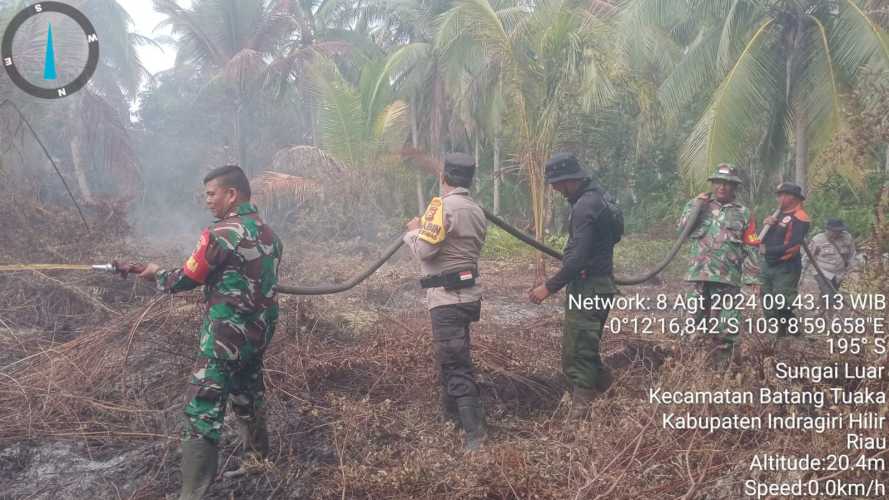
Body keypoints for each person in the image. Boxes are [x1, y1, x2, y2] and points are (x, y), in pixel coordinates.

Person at [137, 165, 283, 500]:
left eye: (211, 194)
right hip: (258, 335)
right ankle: (258, 461)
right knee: (248, 393)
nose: (207, 201)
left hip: (224, 338)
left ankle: (193, 493)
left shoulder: (220, 234)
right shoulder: (271, 235)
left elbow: (188, 277)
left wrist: (156, 274)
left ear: (231, 194)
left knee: (202, 406)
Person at [528, 152, 623, 419]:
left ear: (570, 180)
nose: (556, 190)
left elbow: (578, 260)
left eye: (557, 185)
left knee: (578, 353)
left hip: (589, 286)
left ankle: (578, 421)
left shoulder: (584, 206)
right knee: (586, 348)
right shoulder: (602, 198)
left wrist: (548, 287)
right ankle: (615, 402)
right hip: (601, 285)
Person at [403, 153, 488, 450]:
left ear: (444, 178)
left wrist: (413, 229)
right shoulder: (476, 210)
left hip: (447, 299)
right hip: (468, 297)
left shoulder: (440, 207)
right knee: (453, 357)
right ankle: (451, 418)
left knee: (455, 363)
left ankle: (475, 437)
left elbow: (425, 251)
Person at [677, 163, 760, 365]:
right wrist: (697, 205)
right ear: (713, 185)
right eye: (718, 183)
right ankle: (687, 366)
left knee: (727, 326)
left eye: (727, 184)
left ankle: (723, 369)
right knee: (693, 323)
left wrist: (753, 279)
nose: (722, 187)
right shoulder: (697, 206)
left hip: (728, 279)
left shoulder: (744, 213)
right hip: (699, 277)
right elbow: (682, 230)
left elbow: (753, 246)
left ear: (734, 187)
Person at [760, 182, 810, 337]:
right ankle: (776, 335)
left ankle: (794, 334)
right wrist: (764, 226)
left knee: (783, 304)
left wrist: (768, 250)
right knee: (767, 302)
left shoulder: (800, 217)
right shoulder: (776, 215)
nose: (780, 198)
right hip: (768, 265)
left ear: (794, 198)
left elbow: (794, 246)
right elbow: (757, 238)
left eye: (785, 195)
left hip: (786, 267)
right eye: (779, 195)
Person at [804, 218, 856, 311]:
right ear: (828, 230)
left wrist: (851, 268)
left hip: (839, 273)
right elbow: (807, 256)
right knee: (830, 295)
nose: (838, 233)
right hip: (822, 272)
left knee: (832, 291)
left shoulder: (847, 237)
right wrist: (802, 272)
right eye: (835, 231)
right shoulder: (818, 239)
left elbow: (852, 253)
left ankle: (821, 309)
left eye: (840, 230)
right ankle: (833, 315)